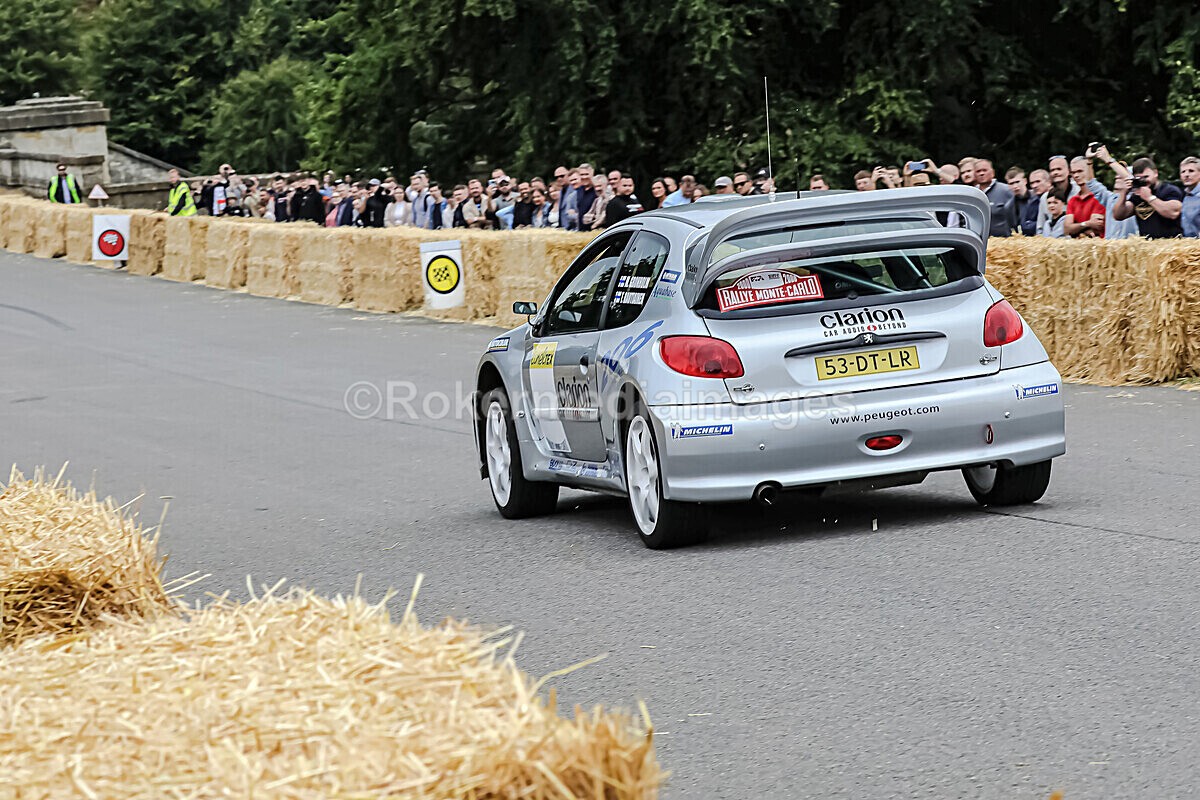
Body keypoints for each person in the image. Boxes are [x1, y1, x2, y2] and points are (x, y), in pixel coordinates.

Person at [1112, 156, 1184, 238]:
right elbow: (1118, 215)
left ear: (1155, 173)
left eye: (1146, 177)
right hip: (1147, 245)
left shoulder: (1169, 190)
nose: (1144, 181)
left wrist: (1150, 198)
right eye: (1139, 178)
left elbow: (1173, 213)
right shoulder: (1137, 195)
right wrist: (1123, 193)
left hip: (1170, 244)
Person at [1064, 157, 1106, 238]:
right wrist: (1087, 224)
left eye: (1080, 171)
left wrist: (1077, 229)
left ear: (1089, 170)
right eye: (1073, 172)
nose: (1076, 175)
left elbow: (1096, 228)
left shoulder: (1099, 196)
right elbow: (1067, 229)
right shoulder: (1072, 200)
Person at [973, 159, 1014, 237]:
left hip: (1004, 241)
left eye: (985, 170)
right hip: (979, 242)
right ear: (974, 175)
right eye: (978, 171)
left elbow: (1015, 217)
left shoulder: (1006, 190)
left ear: (992, 173)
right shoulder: (972, 194)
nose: (981, 173)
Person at [1020, 169, 1051, 236]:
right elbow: (1025, 226)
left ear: (1049, 182)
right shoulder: (1033, 202)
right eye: (1032, 183)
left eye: (1038, 181)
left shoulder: (1058, 197)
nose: (1034, 186)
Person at [1180, 156, 1200, 238]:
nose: (1186, 175)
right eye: (1183, 172)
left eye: (1191, 171)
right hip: (1188, 246)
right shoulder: (1185, 196)